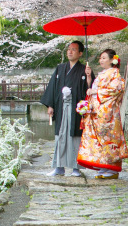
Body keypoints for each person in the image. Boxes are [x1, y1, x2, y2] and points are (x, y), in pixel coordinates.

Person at [40, 40, 92, 177]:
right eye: (69, 49)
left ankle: (76, 168)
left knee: (75, 138)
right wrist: (50, 105)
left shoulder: (83, 70)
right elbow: (52, 87)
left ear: (80, 53)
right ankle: (59, 167)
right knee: (60, 136)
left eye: (74, 49)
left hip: (75, 109)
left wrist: (88, 77)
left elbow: (89, 89)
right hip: (61, 107)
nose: (70, 51)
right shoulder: (60, 68)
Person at [76, 49, 128, 179]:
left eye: (104, 58)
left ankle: (112, 169)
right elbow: (95, 89)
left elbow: (116, 89)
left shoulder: (115, 74)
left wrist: (96, 92)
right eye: (100, 58)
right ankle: (101, 165)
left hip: (107, 113)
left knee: (108, 138)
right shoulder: (102, 73)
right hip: (96, 112)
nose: (101, 60)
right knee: (97, 139)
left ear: (112, 60)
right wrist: (89, 79)